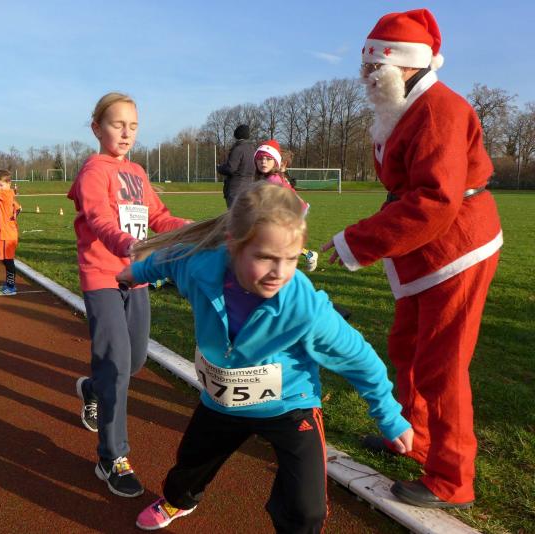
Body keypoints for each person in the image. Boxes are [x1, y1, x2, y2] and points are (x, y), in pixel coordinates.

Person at [116, 182, 413, 531]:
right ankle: (178, 501)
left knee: (307, 510)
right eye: (265, 257)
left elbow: (359, 358)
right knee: (190, 465)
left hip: (289, 404)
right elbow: (167, 259)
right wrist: (135, 273)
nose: (279, 273)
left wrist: (390, 416)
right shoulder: (199, 267)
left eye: (291, 259)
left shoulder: (305, 307)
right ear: (233, 245)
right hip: (222, 401)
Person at [321, 9, 502, 509]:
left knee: (443, 362)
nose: (366, 77)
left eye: (374, 67)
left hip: (456, 246)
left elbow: (435, 200)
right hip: (428, 247)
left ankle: (452, 477)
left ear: (406, 65)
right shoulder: (405, 108)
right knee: (407, 346)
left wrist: (359, 240)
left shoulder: (440, 110)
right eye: (365, 67)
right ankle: (414, 436)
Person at [67, 92, 189, 498]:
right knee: (117, 366)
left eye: (133, 126)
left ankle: (92, 389)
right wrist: (127, 244)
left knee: (134, 361)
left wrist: (193, 229)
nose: (126, 133)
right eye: (117, 124)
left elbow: (158, 216)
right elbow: (100, 218)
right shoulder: (93, 171)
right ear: (96, 128)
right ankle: (112, 457)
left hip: (136, 277)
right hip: (102, 275)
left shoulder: (137, 171)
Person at [253, 140, 318, 272]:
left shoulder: (273, 179)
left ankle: (281, 267)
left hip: (292, 212)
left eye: (268, 159)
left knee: (278, 243)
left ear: (275, 162)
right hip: (287, 212)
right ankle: (307, 255)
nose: (263, 162)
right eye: (260, 159)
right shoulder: (266, 177)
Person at [217, 124, 254, 208]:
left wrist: (219, 168)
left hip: (236, 188)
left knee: (234, 214)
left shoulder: (238, 149)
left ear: (236, 134)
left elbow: (231, 168)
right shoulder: (252, 149)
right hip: (249, 188)